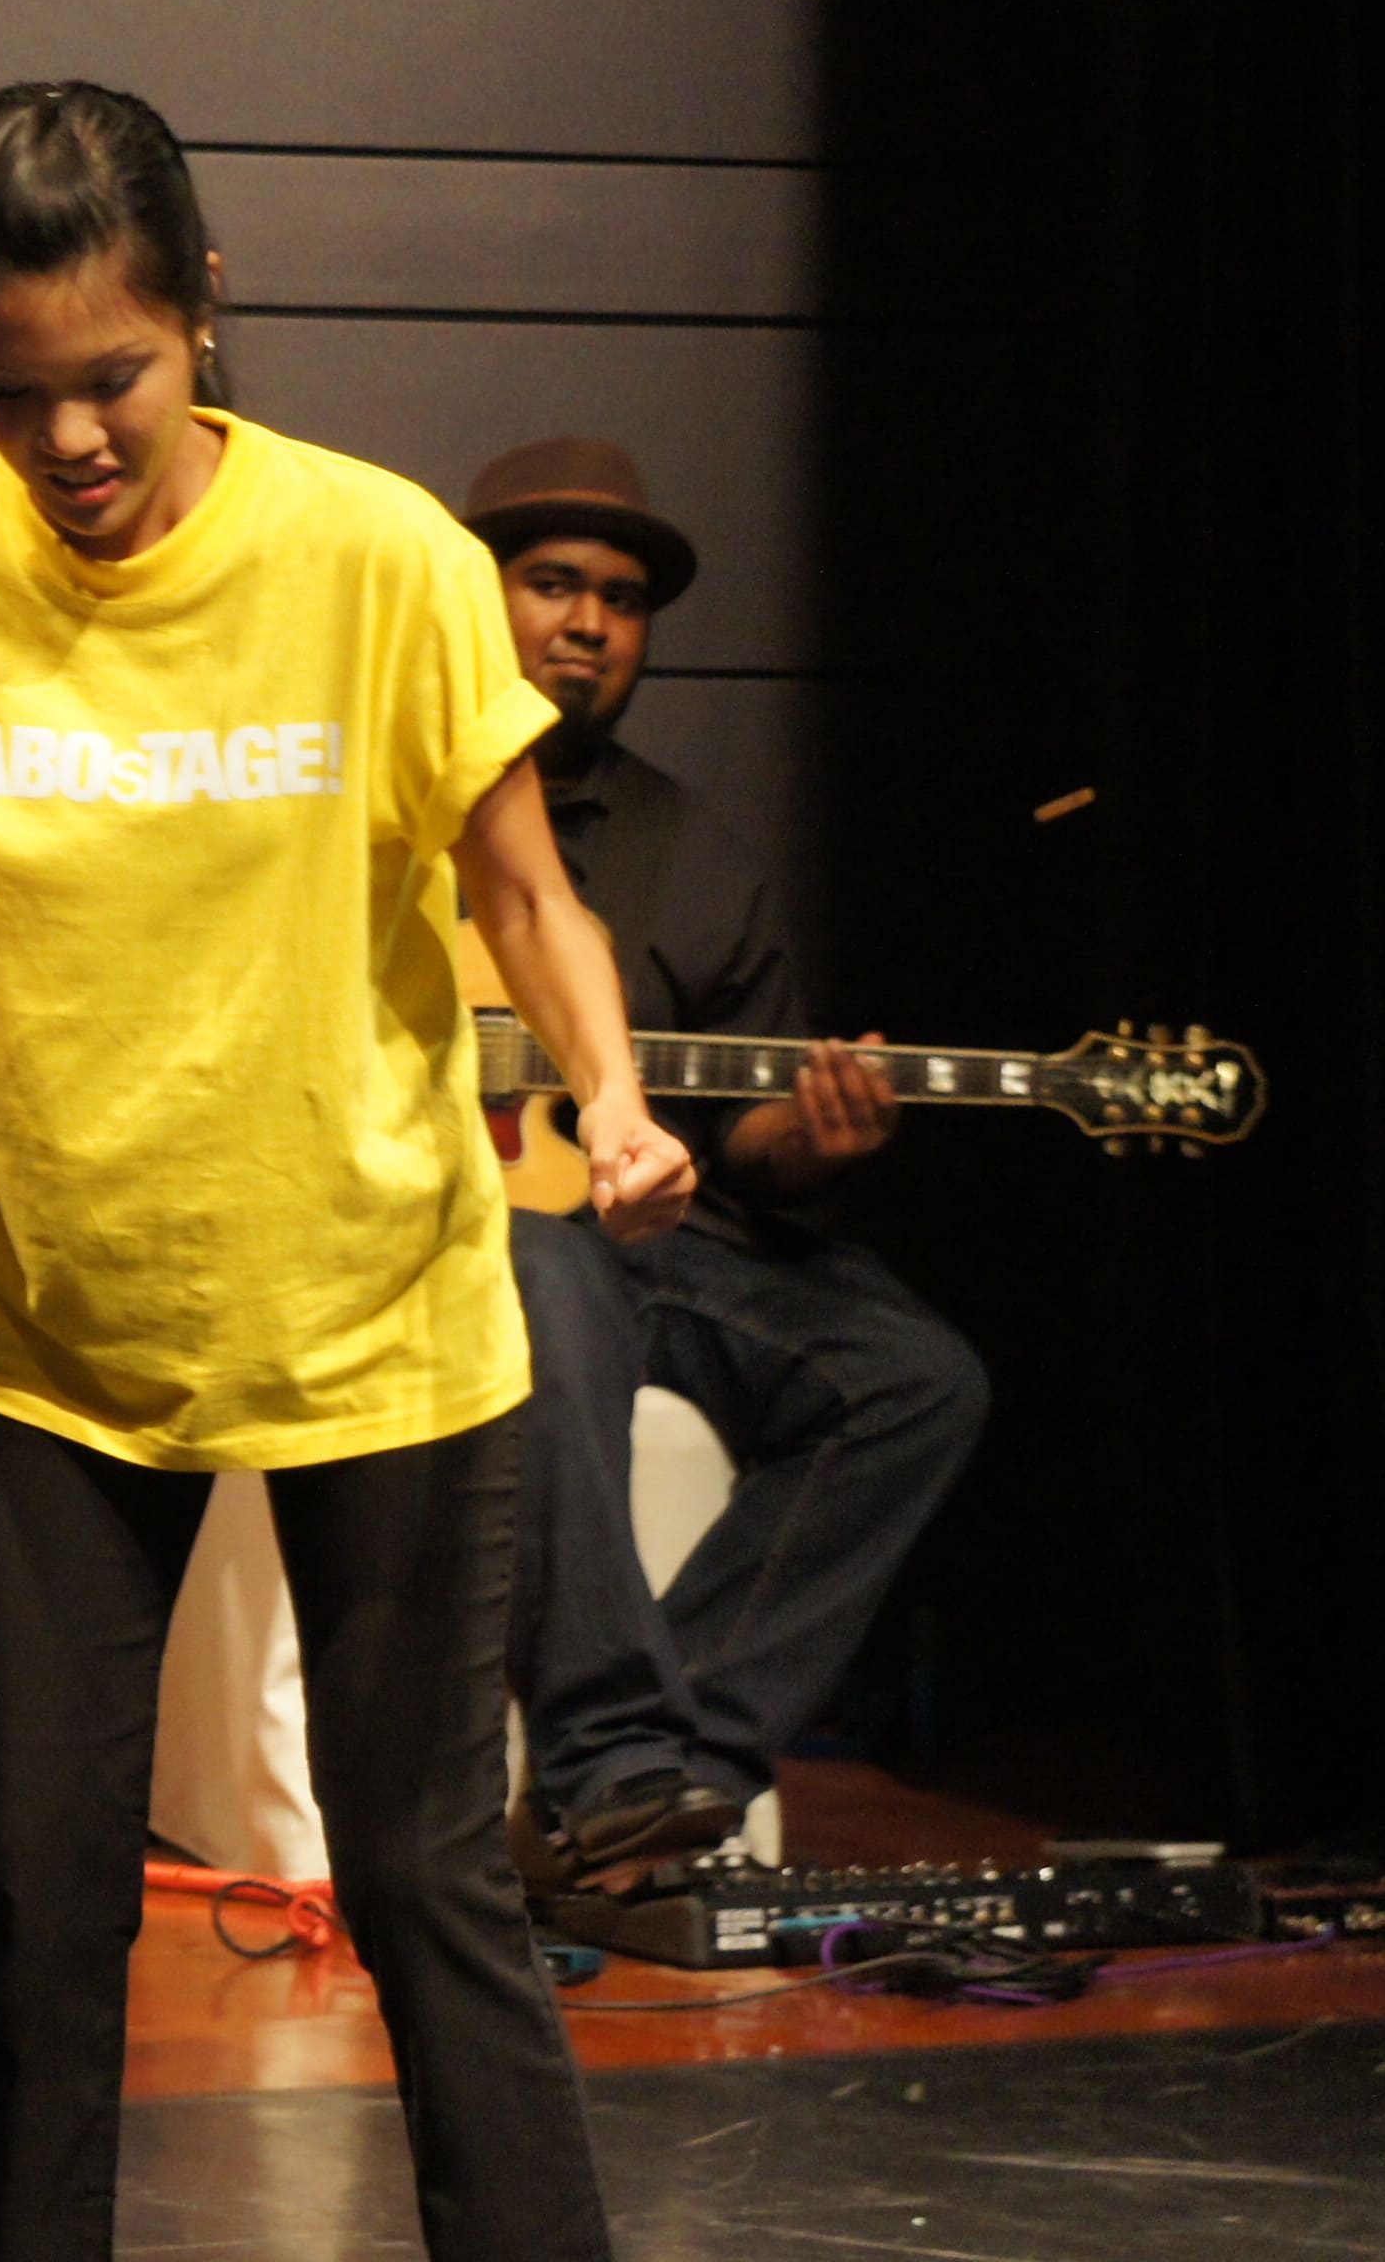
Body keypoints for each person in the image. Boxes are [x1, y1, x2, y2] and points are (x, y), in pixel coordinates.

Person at [0, 82, 694, 2262]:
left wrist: (607, 1095)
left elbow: (523, 900)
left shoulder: (384, 557)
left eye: (110, 377)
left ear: (202, 309)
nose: (67, 438)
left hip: (385, 1313)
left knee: (423, 1871)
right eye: (7, 389)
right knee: (34, 1891)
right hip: (68, 1320)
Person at [460, 436, 993, 1891]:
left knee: (913, 1376)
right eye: (552, 583)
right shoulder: (379, 793)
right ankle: (608, 1762)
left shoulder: (688, 847)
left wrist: (806, 1141)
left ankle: (671, 1767)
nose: (588, 623)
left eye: (621, 600)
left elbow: (747, 1138)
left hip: (651, 1223)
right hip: (446, 1231)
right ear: (470, 591)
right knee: (546, 1265)